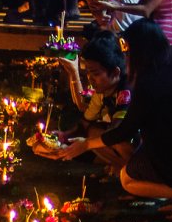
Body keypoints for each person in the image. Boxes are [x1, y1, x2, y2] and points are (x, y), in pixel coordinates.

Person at [59, 19, 172, 221]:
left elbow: (124, 132)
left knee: (127, 177)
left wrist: (87, 144)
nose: (127, 55)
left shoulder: (146, 82)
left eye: (129, 49)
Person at [55, 31, 136, 172]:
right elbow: (85, 122)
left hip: (143, 145)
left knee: (114, 141)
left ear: (116, 72)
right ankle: (122, 168)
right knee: (92, 131)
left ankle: (133, 172)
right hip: (120, 137)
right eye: (88, 73)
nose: (90, 79)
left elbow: (117, 132)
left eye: (96, 74)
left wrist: (86, 144)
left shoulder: (126, 91)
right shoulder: (102, 91)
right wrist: (64, 135)